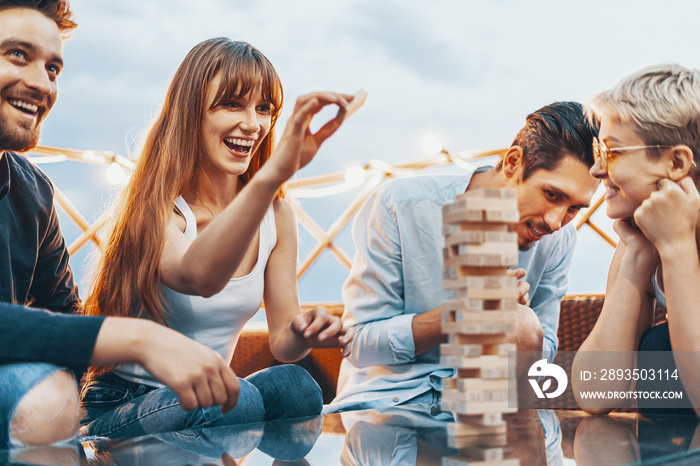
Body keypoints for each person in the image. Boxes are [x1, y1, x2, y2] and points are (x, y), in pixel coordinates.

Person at [0, 0, 251, 449]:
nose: (40, 83)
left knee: (287, 390)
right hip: (35, 394)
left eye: (53, 69)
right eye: (17, 54)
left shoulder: (33, 191)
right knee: (43, 396)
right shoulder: (162, 210)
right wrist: (135, 337)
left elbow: (61, 309)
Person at [80, 37, 356, 438]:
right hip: (125, 403)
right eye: (232, 104)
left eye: (264, 108)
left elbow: (282, 342)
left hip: (209, 395)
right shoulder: (159, 209)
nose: (253, 123)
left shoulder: (279, 216)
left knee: (296, 389)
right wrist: (273, 175)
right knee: (234, 398)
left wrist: (303, 332)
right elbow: (197, 276)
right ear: (192, 113)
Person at [329, 101, 600, 413]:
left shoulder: (561, 239)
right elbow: (358, 345)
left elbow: (542, 361)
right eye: (552, 195)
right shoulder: (399, 206)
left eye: (575, 208)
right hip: (390, 410)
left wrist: (521, 327)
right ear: (513, 163)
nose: (555, 222)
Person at [573, 64, 700, 416]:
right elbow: (596, 394)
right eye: (599, 151)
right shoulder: (642, 235)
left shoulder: (671, 239)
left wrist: (677, 248)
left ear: (676, 162)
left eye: (611, 153)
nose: (597, 170)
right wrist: (637, 256)